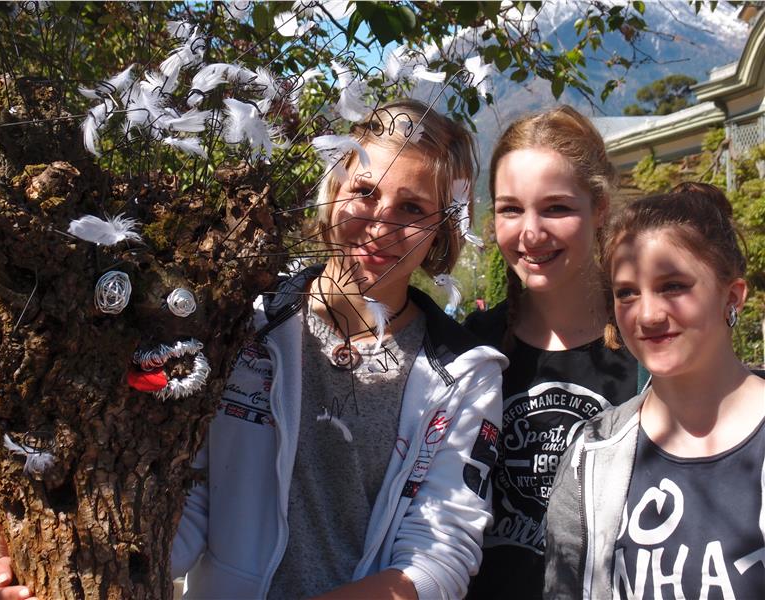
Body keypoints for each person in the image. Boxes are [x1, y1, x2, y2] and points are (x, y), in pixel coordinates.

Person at [171, 99, 508, 599]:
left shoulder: (463, 373)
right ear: (333, 192)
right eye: (365, 192)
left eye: (412, 208)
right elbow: (194, 492)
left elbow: (441, 553)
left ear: (441, 230)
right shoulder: (247, 322)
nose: (381, 225)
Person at [545, 182, 765, 599]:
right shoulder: (591, 456)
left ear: (732, 297)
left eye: (673, 286)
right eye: (627, 293)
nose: (647, 315)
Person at [465, 106, 640, 599]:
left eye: (556, 208)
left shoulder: (648, 348)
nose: (531, 233)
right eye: (510, 209)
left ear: (599, 207)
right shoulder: (469, 348)